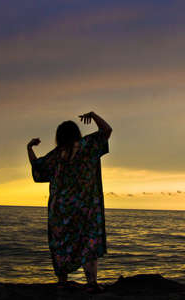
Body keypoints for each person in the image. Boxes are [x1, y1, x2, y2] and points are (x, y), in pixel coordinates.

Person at [27, 111, 112, 293]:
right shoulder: (87, 146)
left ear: (59, 137)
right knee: (88, 241)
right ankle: (91, 283)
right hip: (84, 207)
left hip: (60, 209)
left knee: (60, 243)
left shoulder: (56, 155)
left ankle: (62, 281)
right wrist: (94, 115)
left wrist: (30, 148)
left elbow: (38, 168)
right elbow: (106, 130)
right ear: (76, 134)